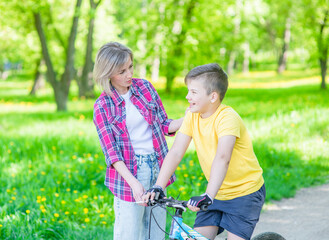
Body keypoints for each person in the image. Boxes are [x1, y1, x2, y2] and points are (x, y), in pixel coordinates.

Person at [143, 63, 265, 240]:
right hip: (216, 192)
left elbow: (223, 158)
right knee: (196, 238)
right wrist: (158, 186)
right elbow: (176, 151)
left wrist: (208, 195)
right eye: (188, 91)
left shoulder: (227, 118)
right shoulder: (192, 115)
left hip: (244, 193)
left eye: (193, 92)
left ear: (213, 96)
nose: (187, 96)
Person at [93, 42, 183, 240]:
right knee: (130, 234)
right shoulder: (102, 106)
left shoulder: (144, 88)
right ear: (108, 73)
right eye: (122, 71)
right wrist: (134, 183)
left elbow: (164, 124)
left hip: (158, 166)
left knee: (156, 233)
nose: (129, 74)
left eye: (131, 67)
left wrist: (189, 119)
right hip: (130, 173)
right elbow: (112, 153)